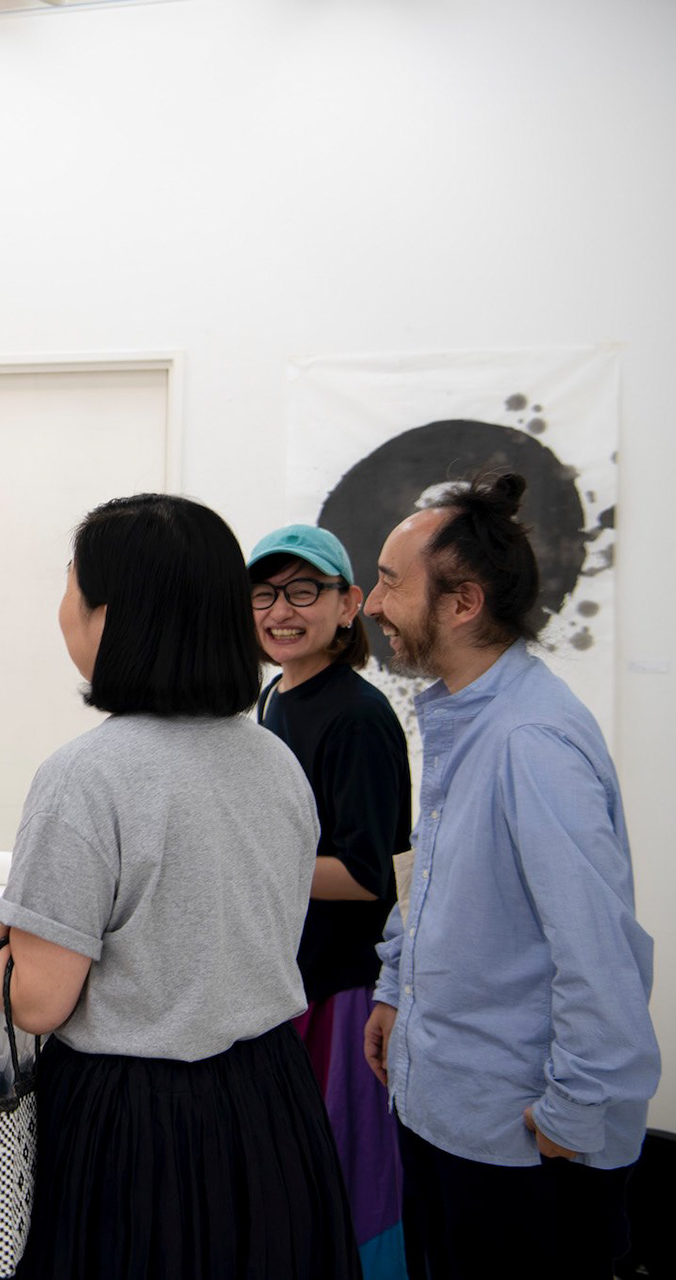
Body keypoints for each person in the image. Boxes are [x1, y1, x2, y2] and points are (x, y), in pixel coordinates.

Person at [0, 493, 360, 1279]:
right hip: (272, 1107)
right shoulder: (273, 759)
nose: (62, 607)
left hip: (140, 1132)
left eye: (71, 585)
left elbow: (34, 999)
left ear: (110, 617)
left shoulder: (87, 776)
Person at [360, 472, 659, 1280]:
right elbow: (436, 880)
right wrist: (395, 990)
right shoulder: (467, 715)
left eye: (389, 582)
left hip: (518, 1145)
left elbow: (600, 952)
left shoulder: (531, 740)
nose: (372, 605)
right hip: (443, 1111)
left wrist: (574, 1112)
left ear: (463, 603)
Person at [248, 523, 411, 1280]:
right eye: (264, 594)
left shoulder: (358, 716)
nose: (282, 610)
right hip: (288, 981)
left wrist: (244, 862)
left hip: (344, 992)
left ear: (348, 605)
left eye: (304, 591)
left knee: (349, 1187)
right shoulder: (272, 697)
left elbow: (368, 872)